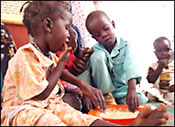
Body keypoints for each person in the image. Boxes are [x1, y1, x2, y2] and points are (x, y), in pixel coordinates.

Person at [1, 2, 169, 126]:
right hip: (23, 109)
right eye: (66, 27)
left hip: (48, 105)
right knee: (48, 121)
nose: (69, 35)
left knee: (80, 118)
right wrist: (62, 64)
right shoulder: (25, 54)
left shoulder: (47, 56)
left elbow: (58, 72)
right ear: (48, 25)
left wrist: (83, 85)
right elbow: (41, 94)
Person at [78, 10, 148, 112]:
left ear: (113, 25)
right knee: (97, 56)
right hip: (102, 94)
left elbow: (131, 66)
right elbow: (85, 73)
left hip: (123, 92)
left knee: (139, 101)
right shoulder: (94, 51)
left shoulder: (126, 46)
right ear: (94, 38)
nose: (104, 34)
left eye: (106, 29)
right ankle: (107, 98)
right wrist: (86, 94)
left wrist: (132, 89)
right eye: (98, 35)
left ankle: (120, 101)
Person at [145, 37, 174, 104]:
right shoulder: (154, 66)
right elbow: (150, 80)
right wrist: (160, 67)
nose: (164, 53)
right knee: (150, 94)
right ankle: (161, 100)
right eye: (160, 50)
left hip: (171, 91)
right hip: (159, 91)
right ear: (155, 53)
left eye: (167, 50)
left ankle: (165, 101)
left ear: (171, 50)